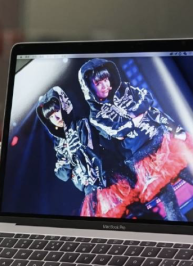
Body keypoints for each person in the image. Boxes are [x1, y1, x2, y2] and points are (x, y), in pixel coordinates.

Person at [78, 58, 193, 221]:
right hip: (141, 158)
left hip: (162, 144)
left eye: (106, 79)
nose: (105, 85)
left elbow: (146, 99)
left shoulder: (125, 89)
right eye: (98, 83)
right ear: (89, 88)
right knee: (169, 200)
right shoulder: (95, 115)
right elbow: (118, 131)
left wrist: (138, 117)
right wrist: (136, 118)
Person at [36, 87, 135, 218]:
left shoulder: (82, 124)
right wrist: (69, 158)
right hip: (91, 192)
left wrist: (74, 155)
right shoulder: (59, 145)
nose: (56, 117)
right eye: (50, 116)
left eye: (57, 110)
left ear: (64, 106)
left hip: (108, 179)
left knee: (129, 213)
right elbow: (62, 174)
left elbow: (93, 150)